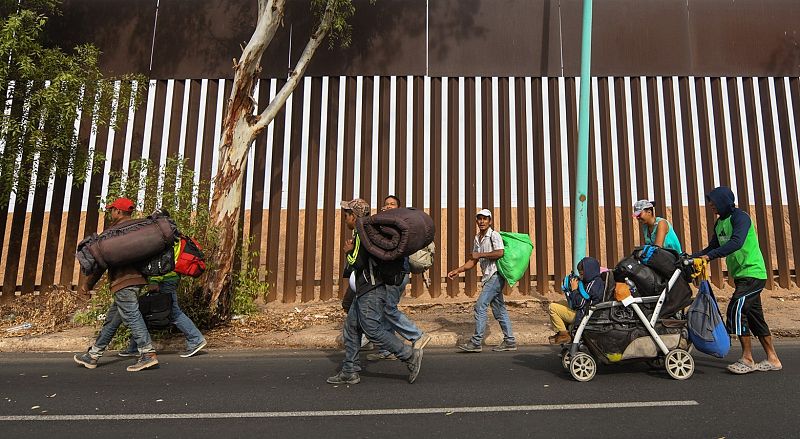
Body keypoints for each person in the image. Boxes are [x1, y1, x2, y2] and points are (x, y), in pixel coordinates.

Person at [327, 198, 423, 385]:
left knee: (372, 329)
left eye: (346, 215)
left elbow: (358, 263)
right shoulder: (368, 230)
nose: (344, 218)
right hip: (366, 289)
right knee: (352, 327)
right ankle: (350, 370)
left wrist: (348, 251)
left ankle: (409, 355)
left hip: (371, 289)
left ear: (353, 216)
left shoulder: (361, 233)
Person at [691, 186, 782, 374]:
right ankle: (773, 359)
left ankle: (747, 359)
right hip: (740, 276)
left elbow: (736, 242)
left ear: (723, 201)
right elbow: (712, 247)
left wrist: (709, 257)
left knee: (736, 308)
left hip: (753, 273)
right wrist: (692, 257)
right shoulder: (719, 223)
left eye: (713, 202)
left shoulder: (741, 218)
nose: (710, 205)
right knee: (755, 317)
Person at [73, 197, 159, 372]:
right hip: (138, 281)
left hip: (123, 281)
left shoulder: (112, 234)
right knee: (113, 319)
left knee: (132, 315)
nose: (111, 213)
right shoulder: (138, 229)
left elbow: (99, 264)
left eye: (112, 210)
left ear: (119, 212)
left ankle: (147, 354)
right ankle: (93, 355)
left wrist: (87, 285)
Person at [367, 195, 432, 361]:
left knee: (388, 309)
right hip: (388, 274)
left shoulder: (400, 227)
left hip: (397, 274)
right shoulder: (385, 224)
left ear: (399, 208)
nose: (388, 207)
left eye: (392, 205)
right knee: (385, 308)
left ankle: (417, 335)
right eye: (386, 204)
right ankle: (387, 349)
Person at [447, 209, 516, 353]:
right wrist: (457, 270)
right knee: (499, 309)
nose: (482, 221)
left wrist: (480, 254)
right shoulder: (477, 238)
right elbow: (473, 260)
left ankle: (476, 342)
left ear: (490, 221)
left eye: (485, 219)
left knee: (480, 306)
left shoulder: (494, 235)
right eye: (480, 219)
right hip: (488, 277)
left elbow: (499, 252)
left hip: (496, 276)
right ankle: (510, 341)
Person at [548, 257, 605, 345]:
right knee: (560, 304)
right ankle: (563, 330)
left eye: (582, 274)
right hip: (582, 310)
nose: (581, 277)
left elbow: (580, 304)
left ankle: (564, 335)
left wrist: (574, 290)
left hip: (583, 315)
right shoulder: (593, 281)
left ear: (589, 272)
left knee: (552, 308)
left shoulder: (593, 285)